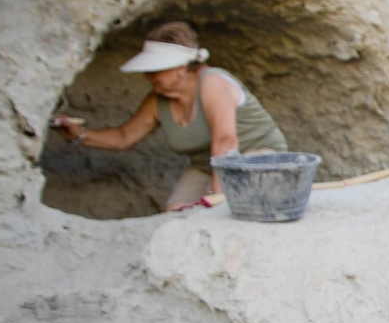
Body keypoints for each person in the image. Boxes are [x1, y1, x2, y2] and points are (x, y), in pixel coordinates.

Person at [52, 22, 288, 211]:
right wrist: (79, 134)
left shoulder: (213, 82)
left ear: (182, 67)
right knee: (176, 209)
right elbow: (124, 137)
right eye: (148, 70)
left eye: (157, 70)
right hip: (205, 165)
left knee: (224, 207)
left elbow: (226, 142)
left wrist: (216, 195)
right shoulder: (159, 99)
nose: (149, 76)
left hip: (255, 154)